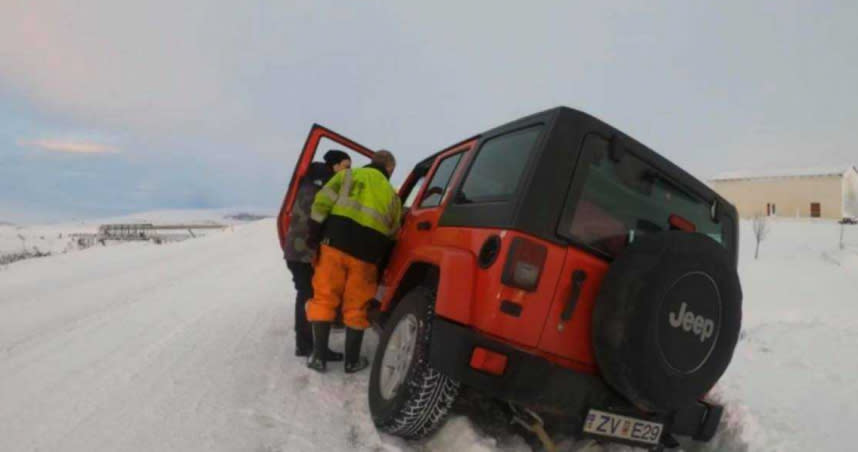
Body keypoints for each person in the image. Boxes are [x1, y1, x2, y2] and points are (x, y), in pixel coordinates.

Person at [305, 150, 401, 373]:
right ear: (390, 169)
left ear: (371, 162)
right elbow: (394, 233)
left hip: (333, 246)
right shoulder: (393, 196)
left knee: (324, 298)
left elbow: (320, 204)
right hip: (366, 257)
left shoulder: (347, 175)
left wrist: (313, 238)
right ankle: (352, 362)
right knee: (357, 305)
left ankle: (319, 358)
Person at [283, 150, 351, 360]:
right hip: (305, 251)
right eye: (346, 166)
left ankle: (304, 345)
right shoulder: (325, 185)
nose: (349, 172)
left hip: (296, 250)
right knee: (311, 296)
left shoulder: (311, 179)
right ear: (335, 165)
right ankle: (308, 346)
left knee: (306, 294)